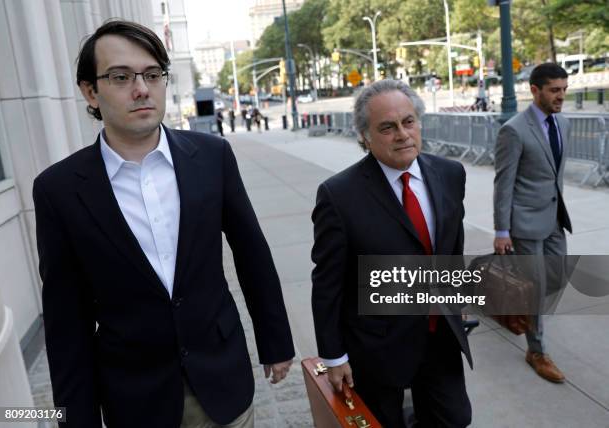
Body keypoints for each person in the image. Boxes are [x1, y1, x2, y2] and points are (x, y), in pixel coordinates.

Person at [33, 20, 294, 428]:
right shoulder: (59, 190)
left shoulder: (212, 158)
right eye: (121, 77)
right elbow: (67, 319)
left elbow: (252, 253)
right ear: (90, 91)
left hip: (223, 378)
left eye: (152, 75)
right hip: (135, 397)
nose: (142, 89)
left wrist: (275, 341)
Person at [311, 79, 472, 428]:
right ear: (365, 136)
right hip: (377, 348)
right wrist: (334, 356)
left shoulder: (450, 174)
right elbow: (327, 284)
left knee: (454, 419)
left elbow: (451, 250)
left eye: (408, 122)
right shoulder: (338, 196)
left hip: (439, 336)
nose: (402, 134)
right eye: (387, 127)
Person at [493, 62, 571, 383]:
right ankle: (536, 350)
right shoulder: (513, 129)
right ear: (535, 90)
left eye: (565, 90)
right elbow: (503, 183)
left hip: (554, 219)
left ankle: (519, 311)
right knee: (536, 287)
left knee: (559, 276)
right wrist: (502, 230)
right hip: (524, 224)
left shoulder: (563, 123)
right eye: (554, 90)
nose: (561, 96)